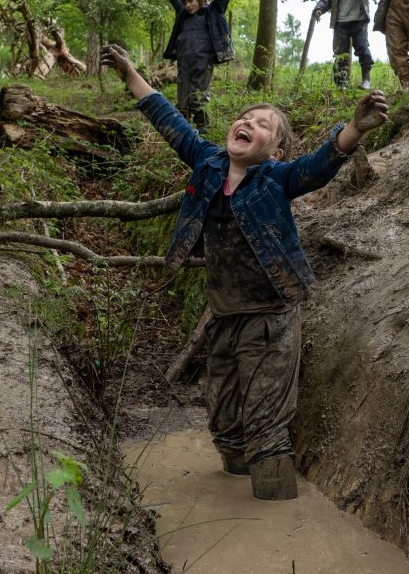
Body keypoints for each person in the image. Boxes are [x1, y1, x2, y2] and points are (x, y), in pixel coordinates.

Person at [100, 43, 389, 501]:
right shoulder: (208, 162)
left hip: (272, 317)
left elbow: (319, 167)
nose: (248, 124)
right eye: (244, 118)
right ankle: (235, 490)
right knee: (223, 420)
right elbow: (169, 121)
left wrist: (354, 127)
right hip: (224, 316)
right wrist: (131, 75)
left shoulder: (277, 179)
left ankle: (278, 519)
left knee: (265, 424)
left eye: (262, 125)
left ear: (275, 149)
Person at [162, 0, 235, 129]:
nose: (188, 5)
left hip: (203, 62)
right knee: (183, 99)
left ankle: (203, 131)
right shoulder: (183, 14)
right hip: (184, 61)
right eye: (185, 2)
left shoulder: (213, 11)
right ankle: (184, 131)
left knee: (199, 98)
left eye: (191, 1)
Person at [313, 0, 376, 91]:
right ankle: (341, 83)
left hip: (359, 20)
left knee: (362, 48)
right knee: (340, 54)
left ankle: (366, 79)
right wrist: (319, 8)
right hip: (340, 22)